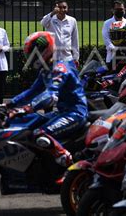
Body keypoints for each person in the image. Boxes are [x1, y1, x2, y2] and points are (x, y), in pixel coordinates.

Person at [6, 31, 88, 167]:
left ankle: (67, 160)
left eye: (33, 53)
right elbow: (31, 92)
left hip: (75, 113)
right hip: (62, 112)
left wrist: (27, 108)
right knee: (29, 124)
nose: (30, 57)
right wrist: (9, 105)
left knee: (40, 133)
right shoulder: (46, 69)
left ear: (44, 50)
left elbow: (50, 95)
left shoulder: (60, 69)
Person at [40, 0, 79, 66]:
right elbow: (43, 23)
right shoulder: (50, 19)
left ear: (67, 8)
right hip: (52, 58)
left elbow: (75, 40)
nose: (62, 9)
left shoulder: (72, 20)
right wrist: (53, 13)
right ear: (56, 8)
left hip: (67, 57)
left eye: (64, 7)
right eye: (60, 7)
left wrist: (76, 57)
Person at [102, 1, 126, 67]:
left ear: (124, 10)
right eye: (117, 9)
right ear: (112, 10)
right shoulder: (107, 23)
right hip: (111, 58)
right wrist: (117, 50)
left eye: (121, 9)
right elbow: (107, 41)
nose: (120, 11)